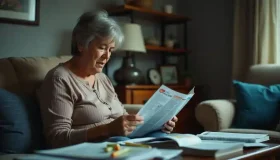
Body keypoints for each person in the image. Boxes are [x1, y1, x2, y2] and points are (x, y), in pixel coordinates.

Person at [37, 10, 178, 149]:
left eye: (111, 50)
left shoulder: (103, 78)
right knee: (125, 143)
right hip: (98, 148)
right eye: (102, 47)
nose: (107, 56)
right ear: (81, 45)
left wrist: (158, 123)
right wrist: (107, 129)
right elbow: (56, 138)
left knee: (166, 140)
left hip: (122, 140)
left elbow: (123, 118)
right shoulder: (60, 79)